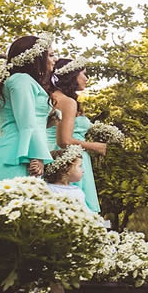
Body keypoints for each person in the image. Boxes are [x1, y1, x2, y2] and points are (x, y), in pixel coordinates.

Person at [0, 35, 55, 182]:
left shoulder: (23, 81)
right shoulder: (20, 80)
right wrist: (37, 156)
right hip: (16, 157)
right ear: (36, 58)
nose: (54, 59)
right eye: (51, 55)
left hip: (25, 155)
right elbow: (26, 121)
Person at [47, 58, 105, 213]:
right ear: (72, 76)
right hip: (68, 157)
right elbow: (64, 141)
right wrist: (97, 146)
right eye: (83, 74)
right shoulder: (67, 102)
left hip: (56, 154)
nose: (86, 78)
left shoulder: (54, 97)